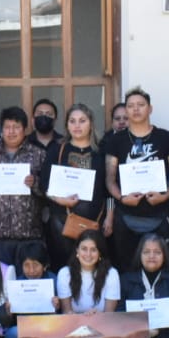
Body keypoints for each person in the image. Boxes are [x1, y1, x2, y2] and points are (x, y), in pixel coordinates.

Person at [105, 87, 169, 268]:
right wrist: (123, 198)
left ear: (150, 109)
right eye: (131, 106)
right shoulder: (116, 141)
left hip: (159, 214)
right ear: (126, 110)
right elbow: (110, 180)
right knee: (126, 268)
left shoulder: (166, 138)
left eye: (141, 105)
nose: (136, 109)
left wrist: (164, 196)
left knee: (159, 267)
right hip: (125, 216)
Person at [42, 103, 111, 272]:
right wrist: (59, 199)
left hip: (95, 222)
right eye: (72, 121)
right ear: (66, 125)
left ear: (91, 123)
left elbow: (109, 187)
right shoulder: (56, 149)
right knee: (63, 268)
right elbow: (44, 182)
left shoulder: (101, 152)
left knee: (93, 269)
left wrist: (110, 216)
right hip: (61, 222)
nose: (77, 125)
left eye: (82, 121)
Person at [0, 106, 47, 266]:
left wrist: (34, 183)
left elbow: (48, 190)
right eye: (7, 127)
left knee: (27, 282)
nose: (11, 132)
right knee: (3, 283)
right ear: (1, 129)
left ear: (25, 129)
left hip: (30, 233)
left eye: (16, 127)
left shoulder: (39, 154)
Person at [56, 230, 121, 338]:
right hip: (74, 323)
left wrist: (97, 315)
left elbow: (110, 314)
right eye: (84, 249)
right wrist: (80, 318)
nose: (88, 254)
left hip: (102, 322)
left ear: (100, 253)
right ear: (76, 251)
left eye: (93, 249)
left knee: (108, 330)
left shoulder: (111, 274)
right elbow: (67, 312)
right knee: (68, 329)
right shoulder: (65, 273)